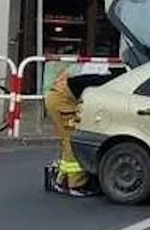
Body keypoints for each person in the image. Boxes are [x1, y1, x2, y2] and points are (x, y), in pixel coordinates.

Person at [44, 63, 122, 197]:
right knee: (72, 140)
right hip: (62, 100)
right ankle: (76, 185)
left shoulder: (104, 80)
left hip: (59, 96)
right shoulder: (108, 84)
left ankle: (63, 180)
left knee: (67, 141)